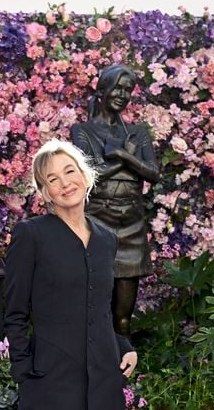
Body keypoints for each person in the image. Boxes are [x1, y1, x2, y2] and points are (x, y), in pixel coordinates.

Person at [4, 139, 138, 410]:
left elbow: (99, 310)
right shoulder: (31, 235)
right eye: (53, 179)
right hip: (51, 381)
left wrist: (123, 347)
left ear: (84, 175)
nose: (65, 183)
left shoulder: (107, 240)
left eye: (69, 171)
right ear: (46, 193)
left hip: (105, 380)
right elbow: (14, 313)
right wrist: (24, 373)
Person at [70, 64, 160, 338]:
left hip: (131, 225)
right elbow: (90, 174)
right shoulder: (82, 131)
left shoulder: (137, 133)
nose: (122, 95)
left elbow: (153, 173)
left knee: (123, 319)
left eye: (127, 90)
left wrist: (121, 155)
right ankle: (94, 361)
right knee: (94, 313)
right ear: (102, 90)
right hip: (97, 223)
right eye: (117, 88)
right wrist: (131, 163)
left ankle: (123, 363)